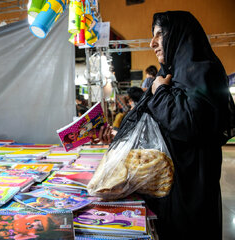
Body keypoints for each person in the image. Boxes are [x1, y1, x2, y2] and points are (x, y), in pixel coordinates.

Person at [93, 11, 235, 239]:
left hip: (189, 190)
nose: (152, 43)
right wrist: (118, 136)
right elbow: (154, 126)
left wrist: (159, 91)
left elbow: (187, 124)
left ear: (179, 35)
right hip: (165, 188)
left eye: (160, 34)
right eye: (152, 35)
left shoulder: (202, 72)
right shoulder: (169, 73)